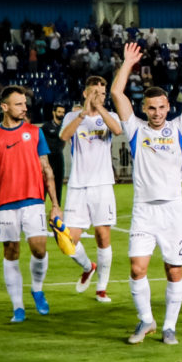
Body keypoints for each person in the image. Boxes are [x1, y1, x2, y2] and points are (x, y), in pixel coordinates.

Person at [111, 42, 182, 345]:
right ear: (144, 109)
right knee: (137, 268)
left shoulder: (179, 129)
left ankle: (169, 327)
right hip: (144, 211)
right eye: (151, 108)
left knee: (174, 270)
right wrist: (127, 64)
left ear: (168, 107)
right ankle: (146, 320)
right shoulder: (136, 130)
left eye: (162, 107)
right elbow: (117, 94)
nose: (157, 112)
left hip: (173, 210)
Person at [0, 86, 62, 322]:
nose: (24, 108)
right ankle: (18, 307)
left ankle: (37, 289)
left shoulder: (35, 133)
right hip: (5, 204)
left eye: (25, 104)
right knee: (11, 252)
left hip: (33, 201)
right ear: (4, 107)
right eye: (19, 104)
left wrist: (55, 204)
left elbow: (47, 169)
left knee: (39, 248)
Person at [59, 76, 123, 303]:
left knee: (103, 237)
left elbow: (117, 130)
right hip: (77, 186)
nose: (99, 97)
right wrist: (83, 114)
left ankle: (101, 288)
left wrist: (99, 109)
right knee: (67, 242)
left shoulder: (110, 116)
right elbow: (63, 136)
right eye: (95, 93)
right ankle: (88, 267)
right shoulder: (72, 116)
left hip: (102, 185)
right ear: (85, 94)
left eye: (103, 94)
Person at [42, 104, 67, 196]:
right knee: (44, 182)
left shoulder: (65, 126)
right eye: (59, 112)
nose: (61, 114)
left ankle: (57, 204)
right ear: (54, 112)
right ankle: (41, 202)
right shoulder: (46, 126)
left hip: (59, 157)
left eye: (63, 112)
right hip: (48, 157)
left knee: (59, 182)